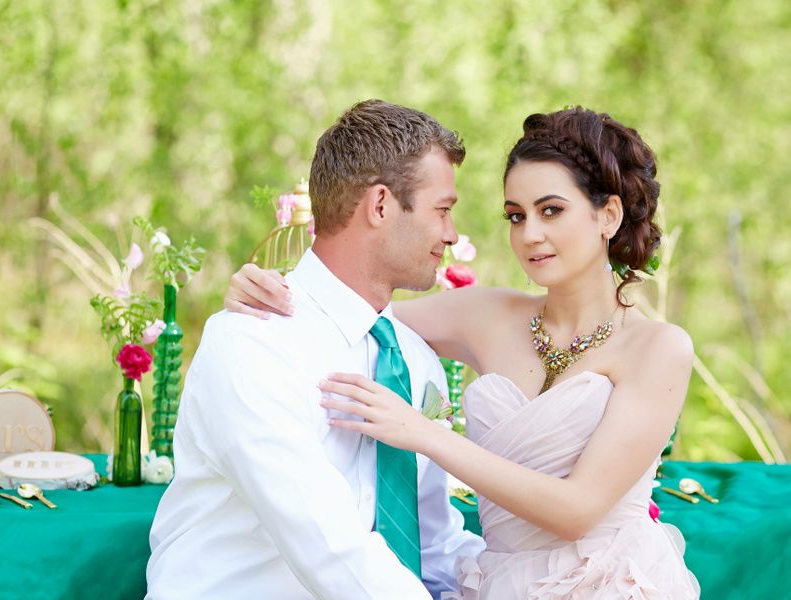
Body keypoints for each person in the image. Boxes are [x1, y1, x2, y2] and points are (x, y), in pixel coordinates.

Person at [225, 107, 701, 598]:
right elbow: (346, 314)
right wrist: (268, 289)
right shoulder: (486, 313)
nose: (529, 234)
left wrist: (426, 435)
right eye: (516, 215)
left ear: (609, 215)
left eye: (551, 210)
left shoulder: (658, 347)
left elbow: (577, 510)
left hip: (608, 582)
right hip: (503, 584)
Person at [145, 100, 484, 600]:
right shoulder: (252, 343)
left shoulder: (415, 361)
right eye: (443, 210)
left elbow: (431, 547)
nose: (451, 234)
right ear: (381, 205)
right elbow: (327, 545)